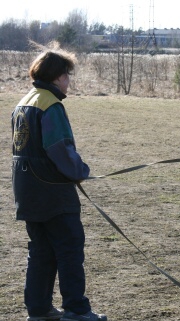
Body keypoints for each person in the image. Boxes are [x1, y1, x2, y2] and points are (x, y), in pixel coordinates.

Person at [11, 43, 107, 321]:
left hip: (27, 191)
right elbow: (59, 149)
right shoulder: (50, 105)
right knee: (69, 250)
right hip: (53, 193)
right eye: (67, 75)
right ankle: (76, 309)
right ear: (57, 77)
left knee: (40, 252)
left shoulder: (24, 102)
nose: (68, 81)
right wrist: (80, 171)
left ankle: (39, 309)